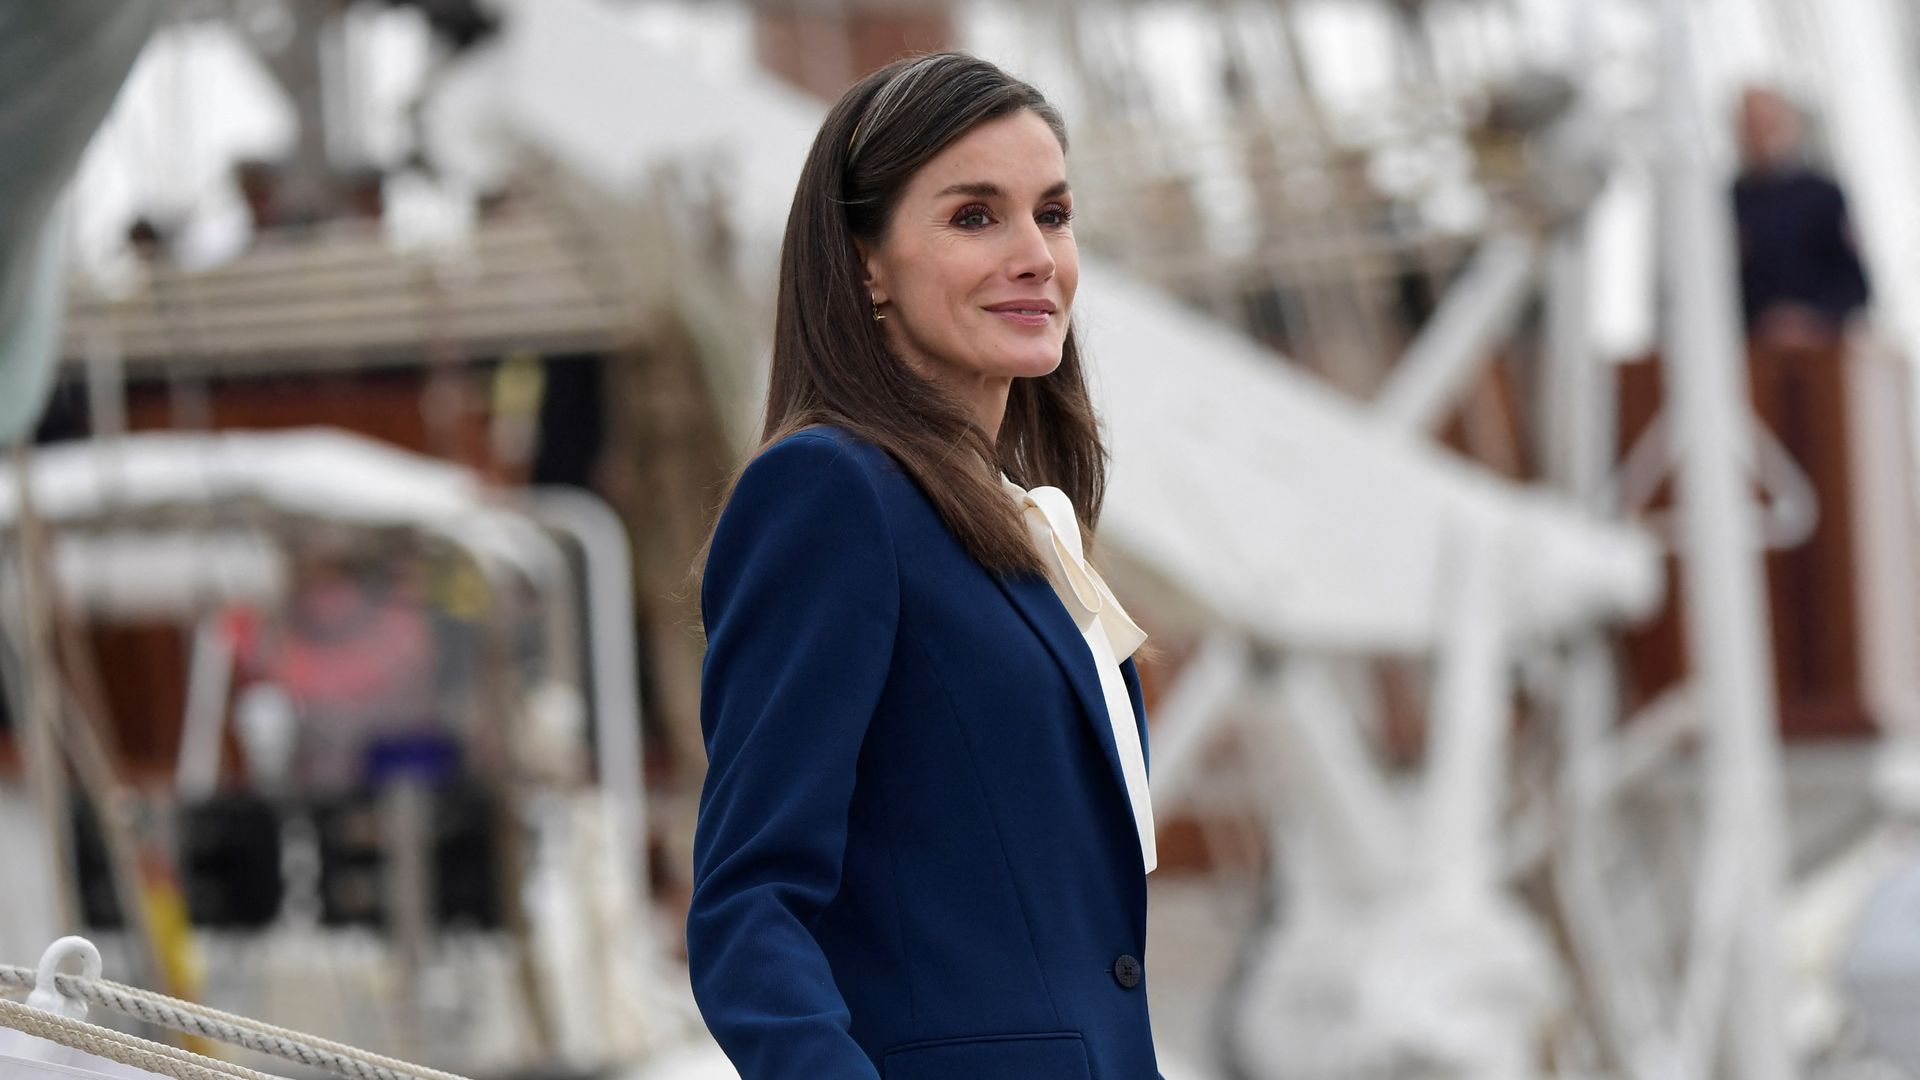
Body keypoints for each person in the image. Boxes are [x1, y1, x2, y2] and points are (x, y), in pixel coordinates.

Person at [686, 52, 1165, 1080]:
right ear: (867, 263)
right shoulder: (829, 493)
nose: (1036, 254)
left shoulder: (1023, 524)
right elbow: (749, 903)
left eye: (1054, 213)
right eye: (975, 217)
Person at [1731, 86, 1871, 350]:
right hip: (1750, 352)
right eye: (1750, 126)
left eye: (1766, 125)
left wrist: (1807, 321)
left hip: (1819, 355)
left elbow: (1854, 285)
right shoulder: (1726, 204)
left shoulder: (1822, 196)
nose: (1759, 135)